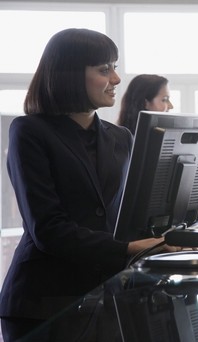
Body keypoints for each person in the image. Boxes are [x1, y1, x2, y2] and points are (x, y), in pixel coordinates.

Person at [0, 28, 177, 342]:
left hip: (105, 296)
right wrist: (127, 249)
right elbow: (49, 229)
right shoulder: (29, 131)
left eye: (115, 67)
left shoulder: (121, 137)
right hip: (44, 302)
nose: (117, 79)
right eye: (104, 69)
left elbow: (127, 215)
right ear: (70, 75)